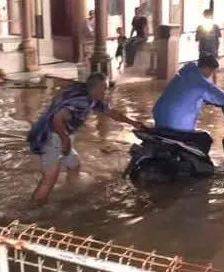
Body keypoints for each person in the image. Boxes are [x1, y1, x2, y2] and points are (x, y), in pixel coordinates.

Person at [27, 73, 145, 205]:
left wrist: (132, 122)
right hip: (51, 136)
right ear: (99, 87)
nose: (107, 91)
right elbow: (57, 118)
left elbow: (111, 112)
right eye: (105, 88)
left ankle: (70, 190)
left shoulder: (89, 96)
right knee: (50, 178)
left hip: (61, 136)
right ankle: (34, 210)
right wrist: (64, 139)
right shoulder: (81, 100)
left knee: (74, 165)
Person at [152, 55, 224, 154]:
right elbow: (219, 95)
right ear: (207, 68)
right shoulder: (200, 82)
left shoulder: (184, 74)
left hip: (160, 121)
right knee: (205, 138)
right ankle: (199, 167)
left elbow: (187, 93)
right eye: (211, 71)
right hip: (177, 126)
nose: (210, 75)